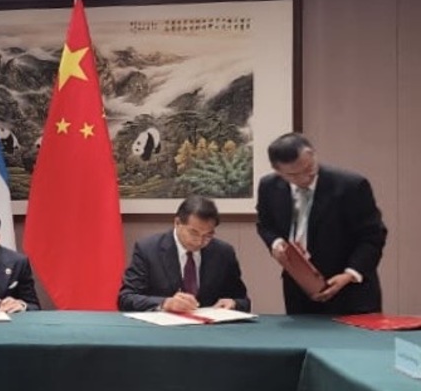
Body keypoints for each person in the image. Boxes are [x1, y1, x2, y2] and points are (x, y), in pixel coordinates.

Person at [256, 132, 387, 314]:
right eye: (295, 174)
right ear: (278, 171)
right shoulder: (268, 186)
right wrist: (276, 244)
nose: (306, 176)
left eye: (310, 167)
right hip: (299, 289)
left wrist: (350, 274)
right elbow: (265, 224)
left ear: (313, 154)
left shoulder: (350, 185)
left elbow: (372, 236)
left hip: (349, 290)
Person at [118, 195, 250, 312]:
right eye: (194, 233)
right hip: (163, 328)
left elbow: (243, 301)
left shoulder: (223, 253)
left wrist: (233, 303)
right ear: (177, 223)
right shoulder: (148, 249)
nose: (199, 241)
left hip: (210, 328)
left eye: (208, 235)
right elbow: (126, 299)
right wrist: (165, 303)